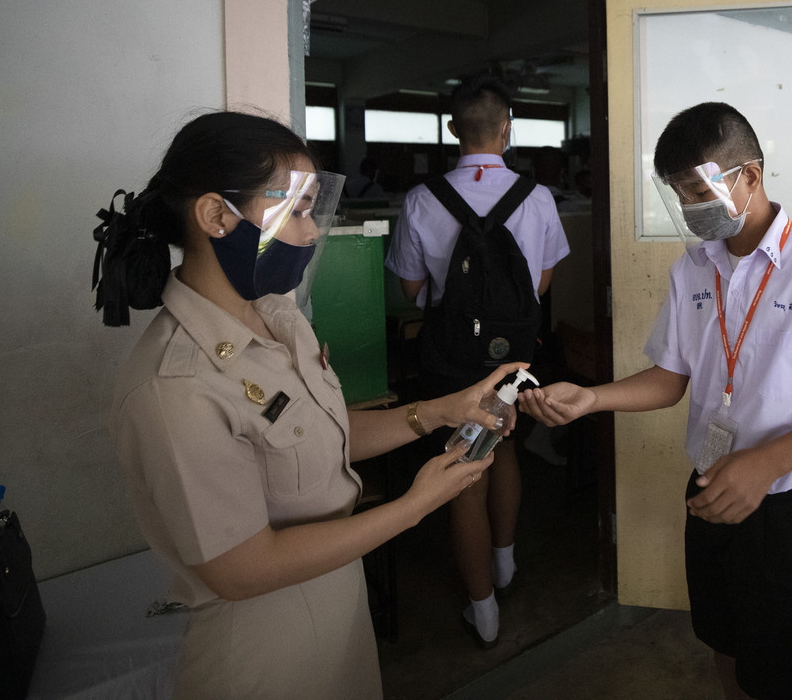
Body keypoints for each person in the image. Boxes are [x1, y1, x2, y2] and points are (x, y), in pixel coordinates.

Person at [96, 111, 511, 700]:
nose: (312, 232)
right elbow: (242, 570)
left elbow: (324, 436)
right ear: (216, 216)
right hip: (264, 653)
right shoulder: (175, 387)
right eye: (295, 210)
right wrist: (415, 505)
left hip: (337, 609)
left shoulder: (276, 316)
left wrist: (441, 411)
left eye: (313, 208)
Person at [519, 102, 792, 700]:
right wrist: (591, 399)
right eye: (680, 195)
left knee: (787, 672)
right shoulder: (692, 269)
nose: (690, 208)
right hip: (710, 490)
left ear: (748, 176)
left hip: (788, 506)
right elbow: (671, 377)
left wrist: (767, 463)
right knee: (725, 642)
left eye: (699, 191)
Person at [384, 73, 569, 648]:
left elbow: (412, 291)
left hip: (451, 353)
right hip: (511, 353)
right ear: (507, 128)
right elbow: (540, 282)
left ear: (451, 130)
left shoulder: (422, 199)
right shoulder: (537, 197)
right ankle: (506, 561)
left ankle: (482, 607)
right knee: (504, 443)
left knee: (465, 460)